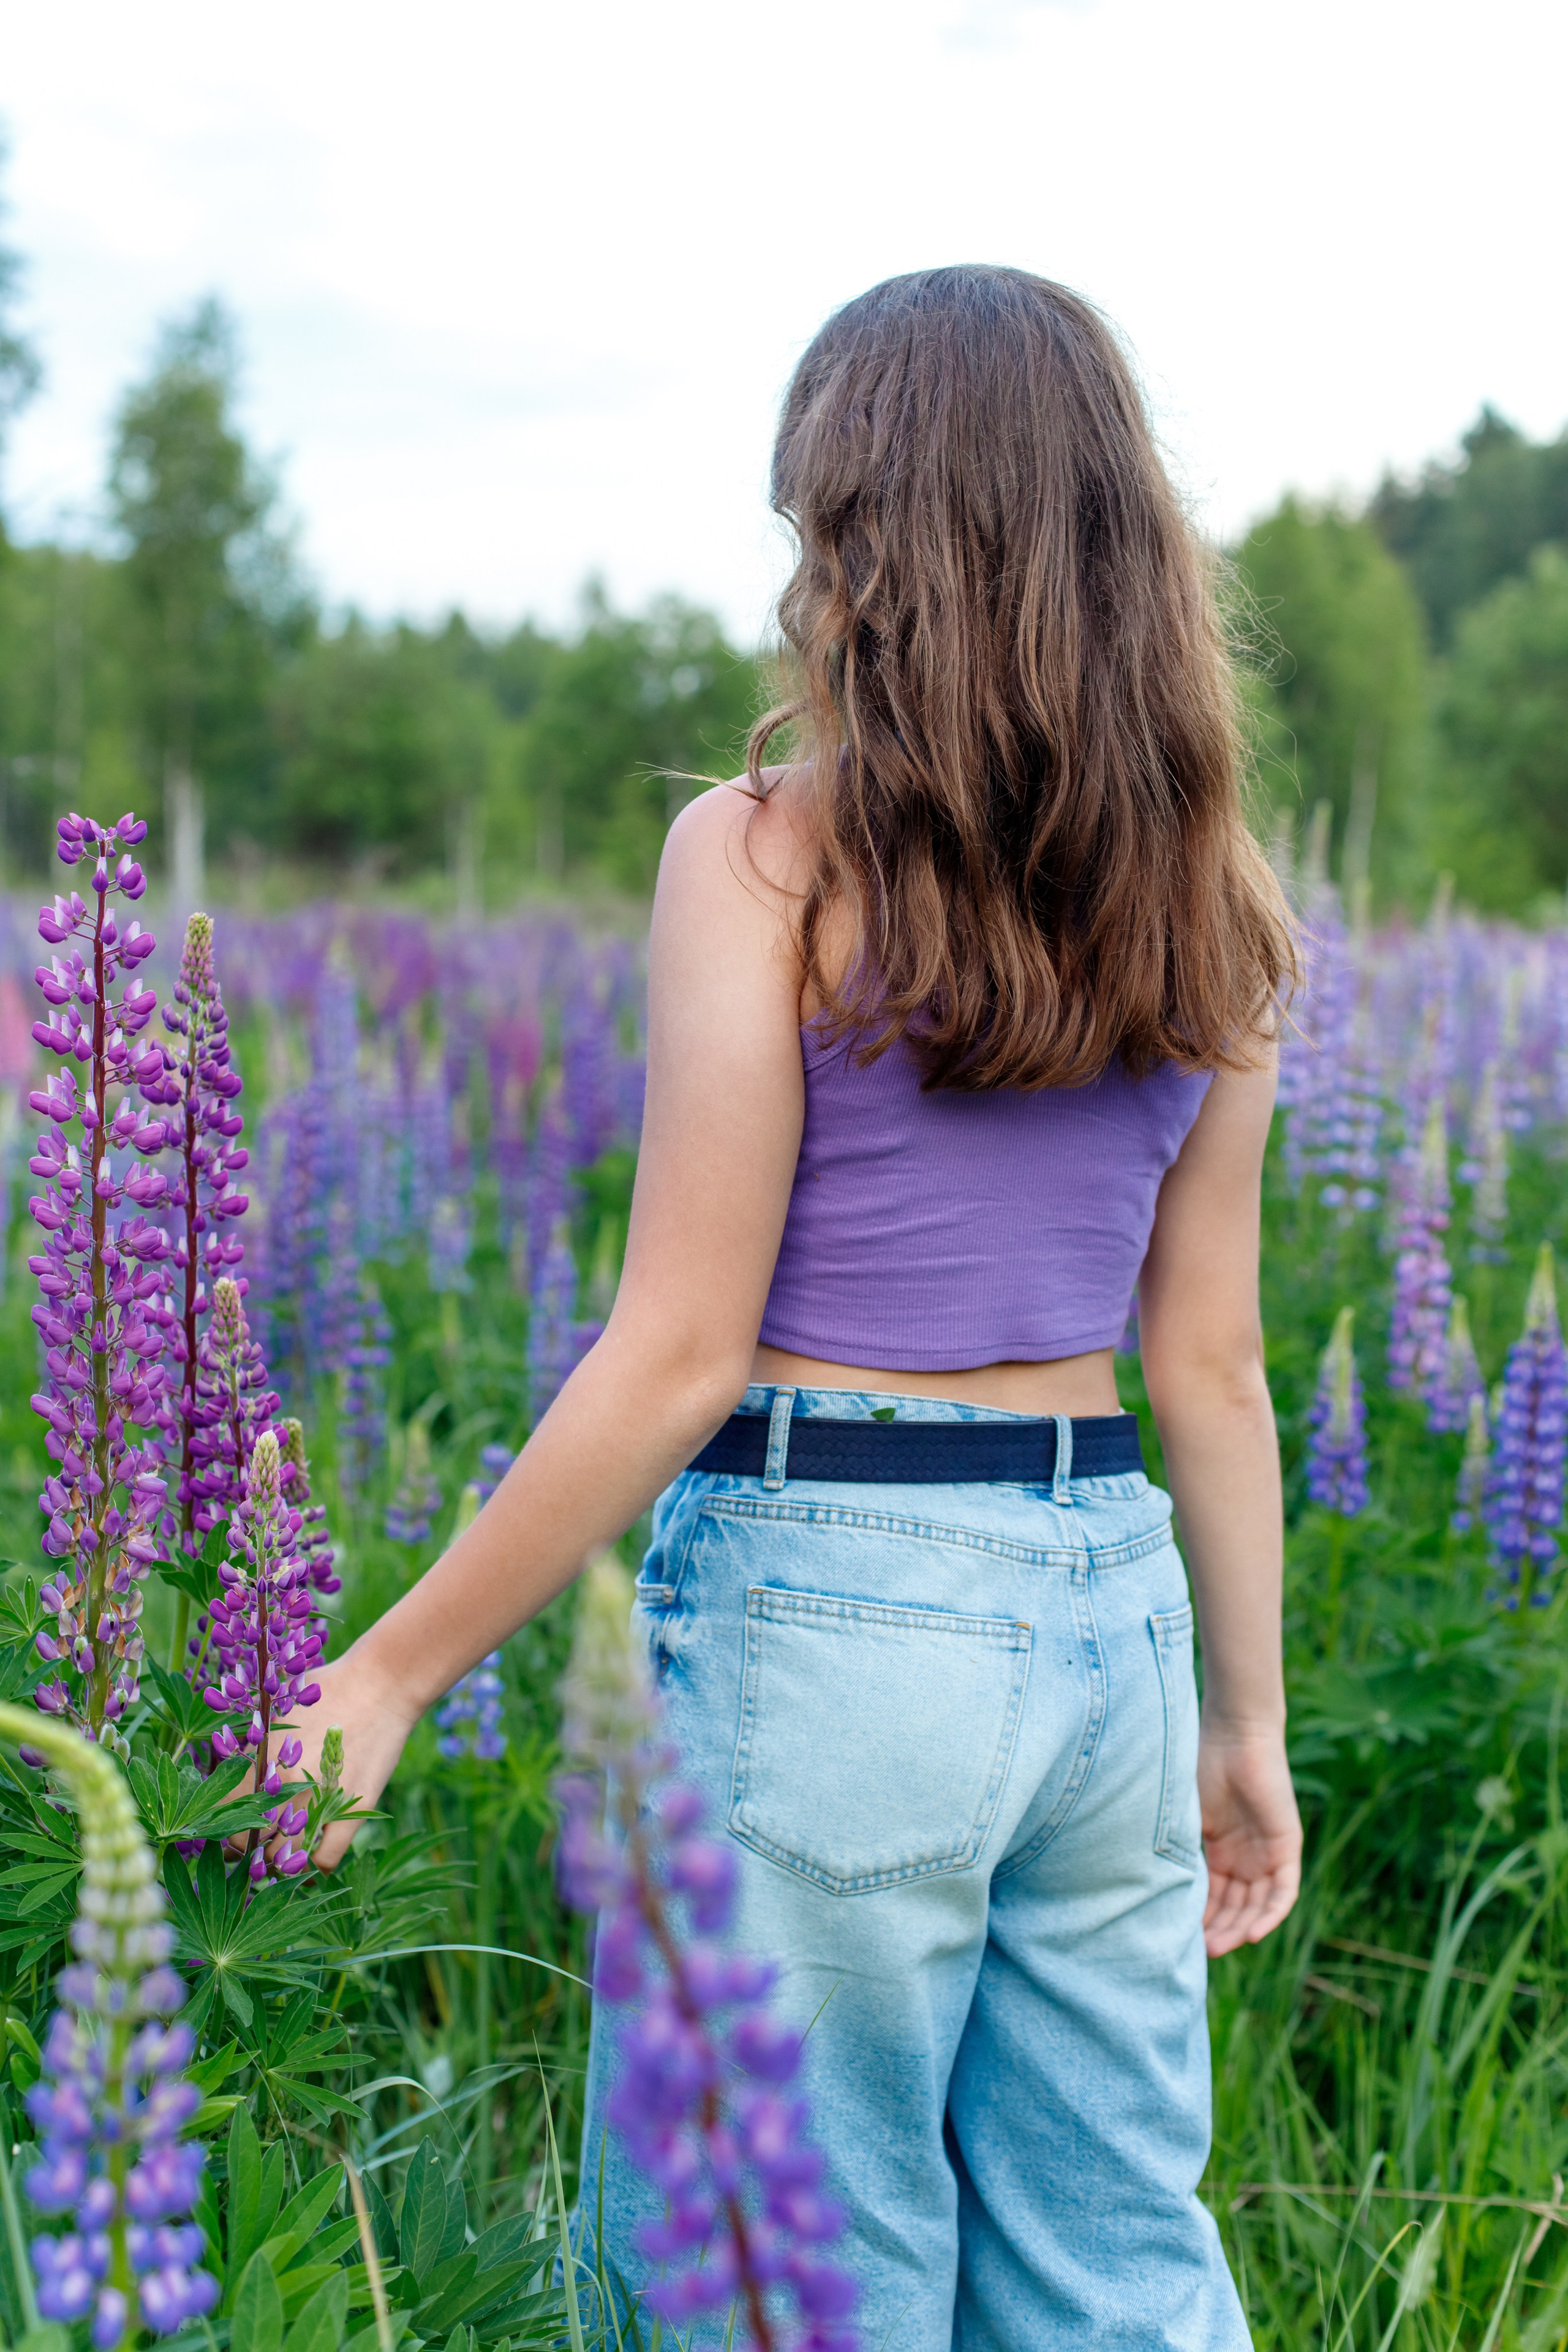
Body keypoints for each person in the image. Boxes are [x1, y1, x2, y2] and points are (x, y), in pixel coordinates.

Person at [294, 265, 1302, 2350]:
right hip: (1111, 1603)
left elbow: (677, 1352)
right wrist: (1245, 1721)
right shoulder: (1217, 895)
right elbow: (1210, 1362)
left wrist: (388, 1675)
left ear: (873, 547)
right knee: (1118, 2268)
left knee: (786, 2281)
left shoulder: (763, 857)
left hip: (836, 1599)